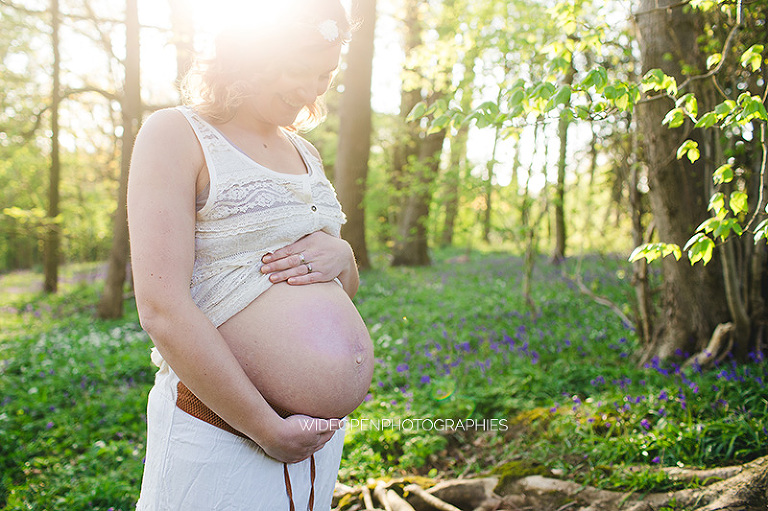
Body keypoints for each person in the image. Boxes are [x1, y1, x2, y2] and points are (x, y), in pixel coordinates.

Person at [128, 1, 374, 509]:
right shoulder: (176, 134)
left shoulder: (305, 152)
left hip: (315, 442)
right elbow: (160, 307)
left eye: (325, 74)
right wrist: (265, 428)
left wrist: (343, 255)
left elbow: (336, 288)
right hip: (224, 428)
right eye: (298, 71)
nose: (311, 91)